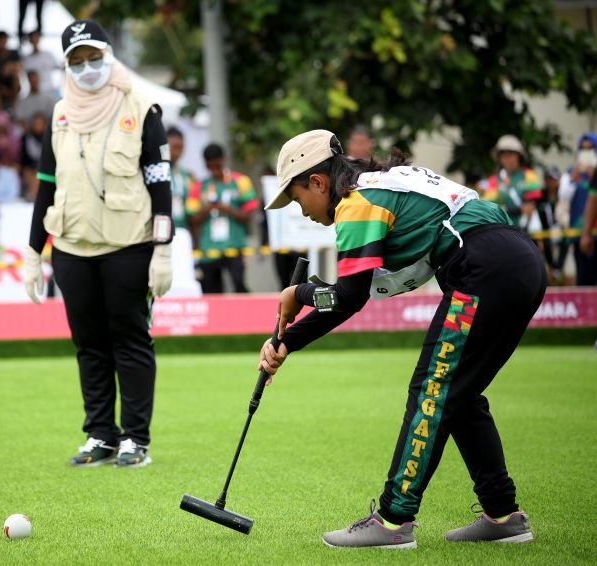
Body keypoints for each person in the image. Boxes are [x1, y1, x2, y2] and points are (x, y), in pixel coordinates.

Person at [261, 129, 546, 548]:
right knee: (457, 393)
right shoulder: (381, 185)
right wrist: (287, 342)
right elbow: (351, 296)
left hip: (483, 269)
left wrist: (296, 294)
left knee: (431, 389)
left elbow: (347, 298)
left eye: (298, 197)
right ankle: (502, 513)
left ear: (319, 182)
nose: (302, 211)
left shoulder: (357, 204)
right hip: (518, 262)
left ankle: (393, 520)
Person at [23, 19, 173, 468]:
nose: (87, 69)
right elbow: (46, 185)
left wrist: (162, 249)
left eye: (94, 58)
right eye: (77, 61)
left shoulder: (143, 107)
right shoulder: (60, 112)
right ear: (66, 66)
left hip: (128, 245)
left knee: (129, 341)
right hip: (71, 248)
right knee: (88, 344)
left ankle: (135, 440)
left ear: (110, 55)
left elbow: (161, 186)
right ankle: (100, 435)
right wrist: (34, 251)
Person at [186, 142, 258, 293]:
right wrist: (208, 209)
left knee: (239, 285)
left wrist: (226, 209)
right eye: (210, 167)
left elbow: (248, 214)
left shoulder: (240, 181)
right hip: (209, 249)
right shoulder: (199, 186)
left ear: (224, 160)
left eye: (217, 166)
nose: (214, 170)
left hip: (234, 246)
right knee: (211, 291)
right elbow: (192, 219)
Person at [481, 135, 543, 231]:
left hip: (526, 230)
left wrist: (505, 208)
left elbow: (529, 208)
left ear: (519, 156)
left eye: (511, 154)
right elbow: (490, 208)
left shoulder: (530, 176)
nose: (507, 158)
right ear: (499, 158)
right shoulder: (493, 181)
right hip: (502, 230)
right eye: (503, 155)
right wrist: (516, 209)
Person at [562, 133, 597, 285]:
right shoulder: (571, 172)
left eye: (590, 148)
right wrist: (573, 177)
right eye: (583, 148)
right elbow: (564, 197)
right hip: (580, 233)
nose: (586, 151)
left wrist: (593, 175)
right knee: (584, 278)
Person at [166, 126, 195, 232]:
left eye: (181, 148)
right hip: (161, 230)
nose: (177, 152)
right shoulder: (155, 172)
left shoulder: (187, 175)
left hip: (182, 230)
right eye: (174, 147)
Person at [22, 29, 59, 96]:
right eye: (32, 37)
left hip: (50, 91)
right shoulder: (26, 59)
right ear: (29, 40)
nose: (34, 39)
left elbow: (60, 69)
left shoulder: (48, 55)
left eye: (36, 37)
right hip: (35, 94)